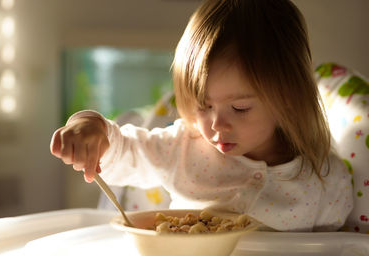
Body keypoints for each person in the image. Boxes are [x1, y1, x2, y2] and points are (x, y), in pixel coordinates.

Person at [50, 0, 353, 231]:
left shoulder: (325, 180)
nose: (216, 125)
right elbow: (129, 151)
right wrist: (94, 131)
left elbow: (340, 247)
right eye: (203, 106)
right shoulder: (183, 147)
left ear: (288, 97)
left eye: (240, 108)